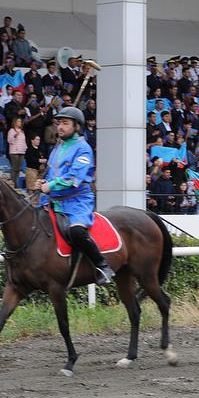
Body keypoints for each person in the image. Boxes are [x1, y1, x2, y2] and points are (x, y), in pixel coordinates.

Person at [37, 106, 115, 285]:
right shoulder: (57, 148)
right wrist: (42, 184)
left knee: (77, 231)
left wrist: (51, 185)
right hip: (54, 201)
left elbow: (74, 179)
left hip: (77, 201)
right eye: (59, 123)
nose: (60, 127)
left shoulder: (83, 149)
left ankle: (102, 266)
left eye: (65, 123)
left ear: (77, 127)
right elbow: (50, 175)